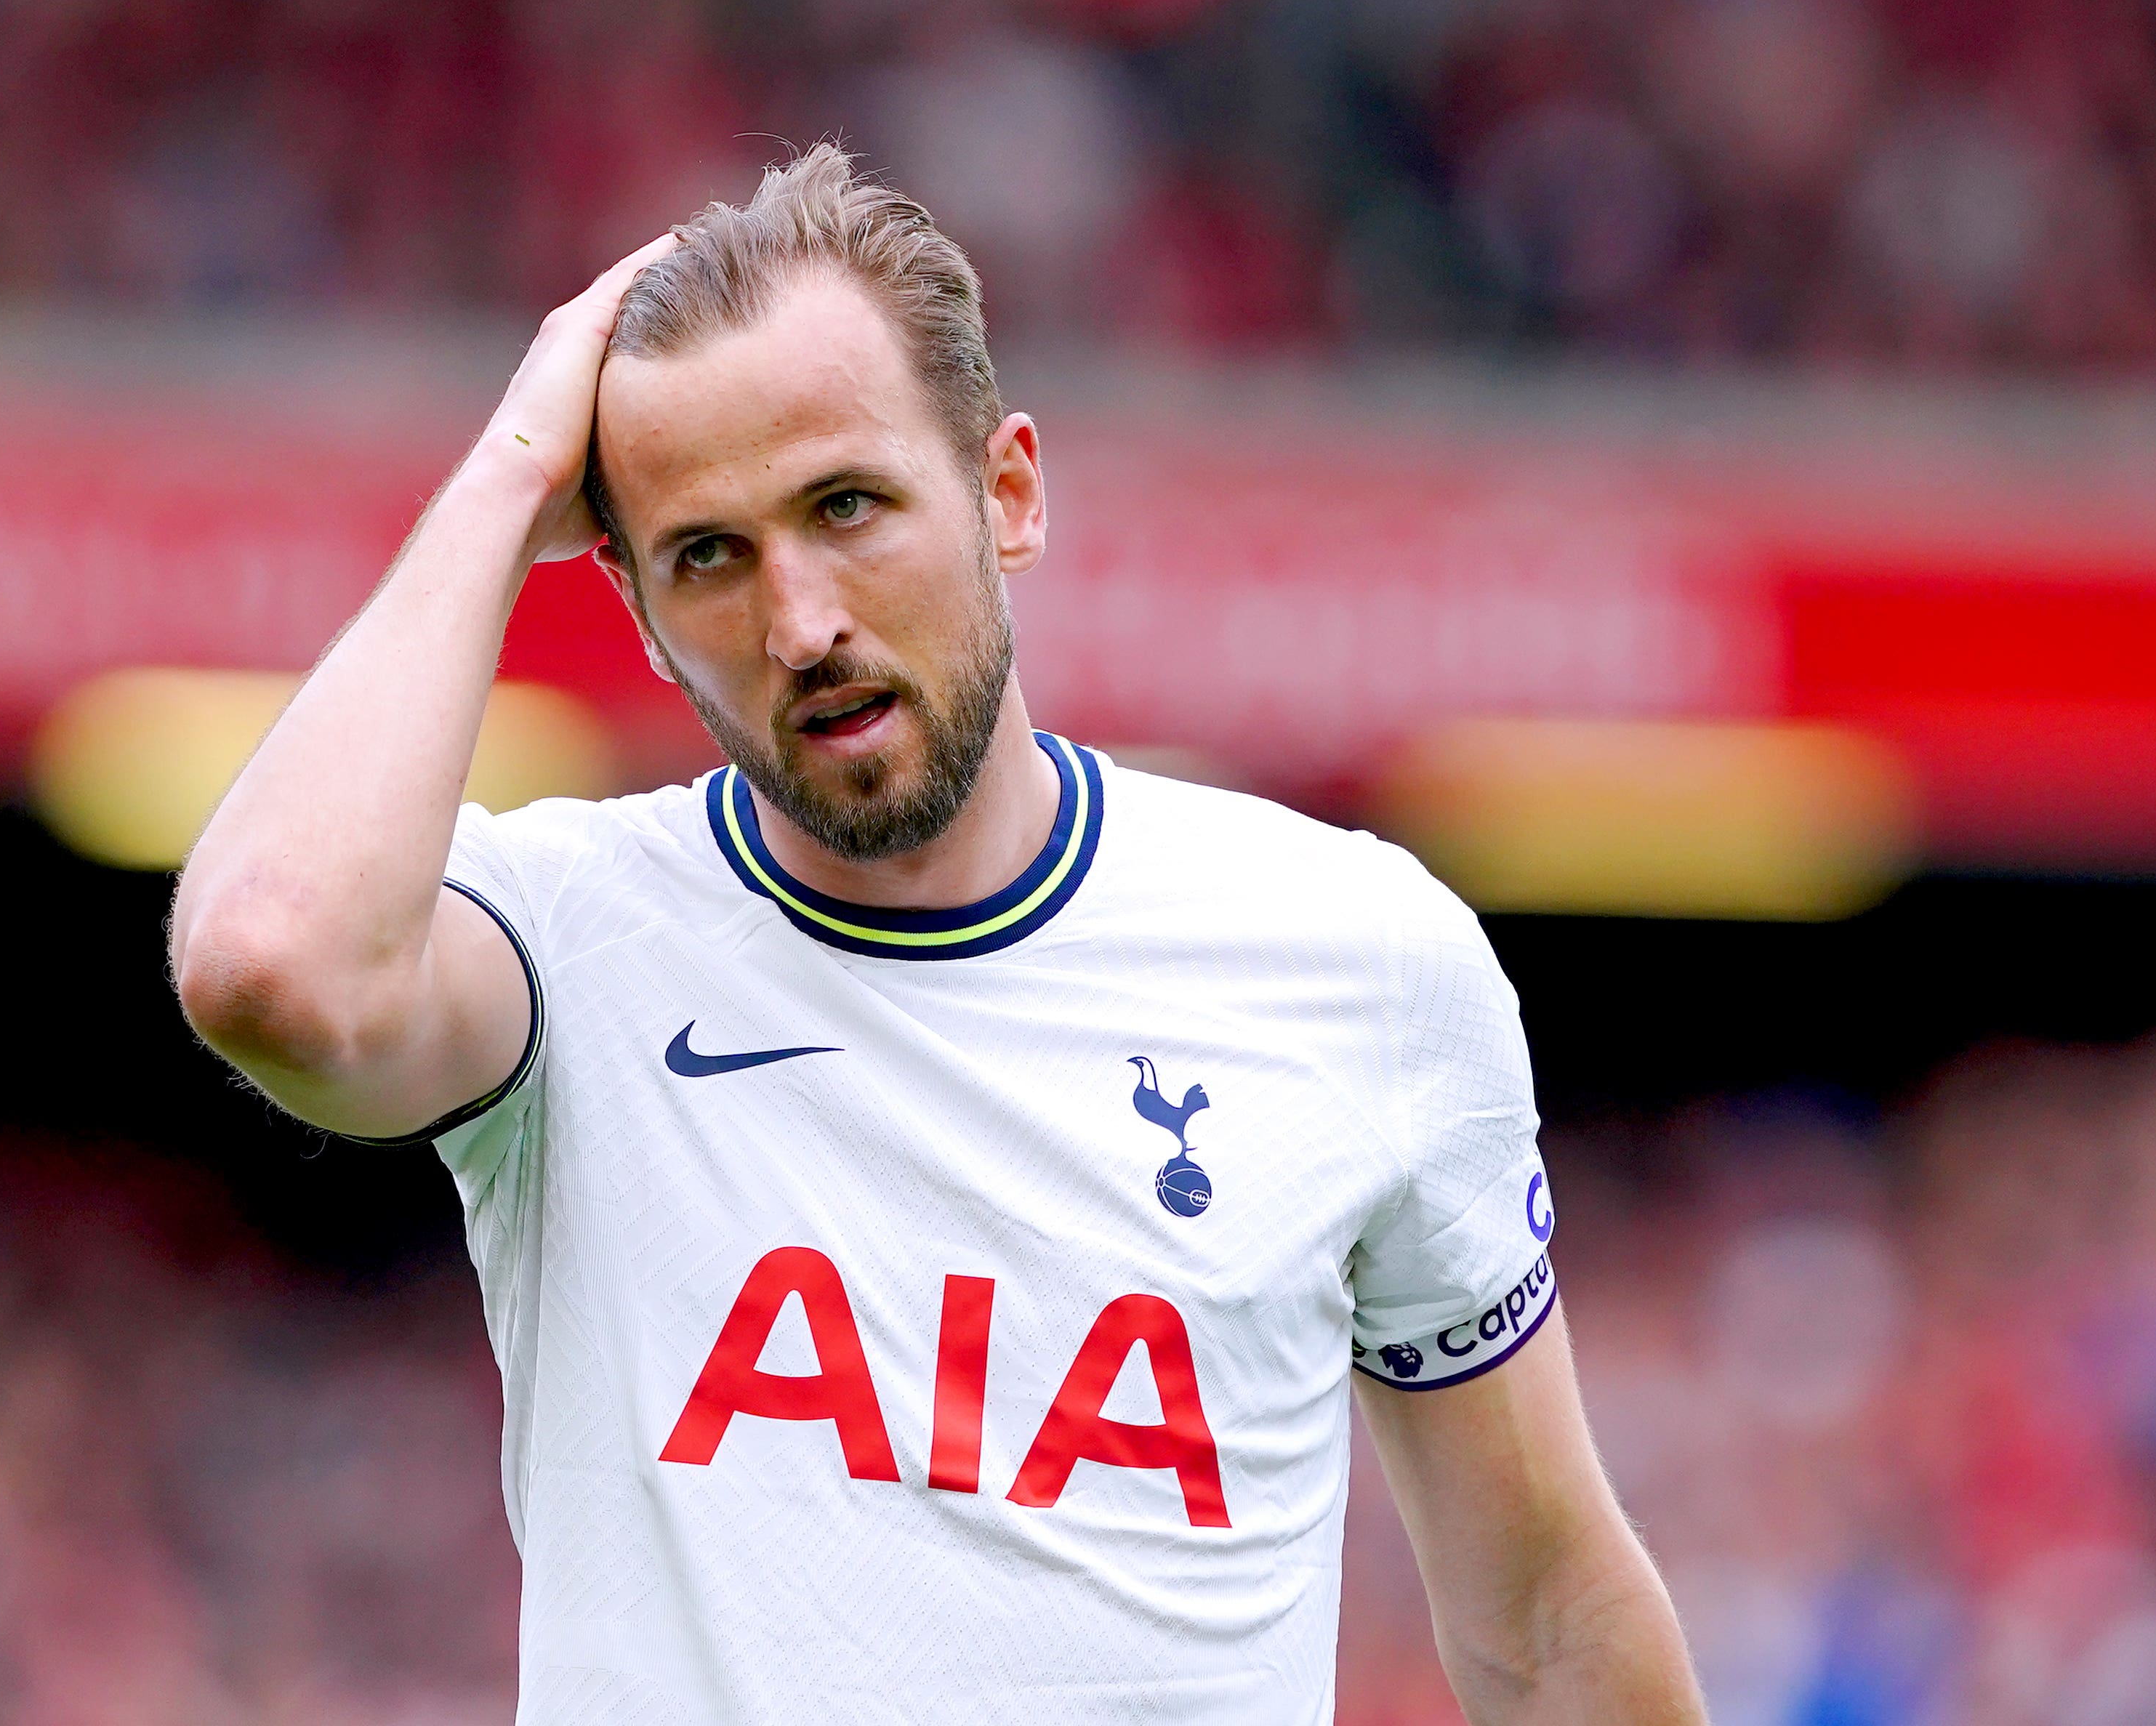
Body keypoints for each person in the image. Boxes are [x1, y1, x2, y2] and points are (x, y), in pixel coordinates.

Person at [171, 144, 1704, 1725]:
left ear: (1009, 493)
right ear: (628, 599)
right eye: (709, 555)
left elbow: (1543, 1618)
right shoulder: (567, 945)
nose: (803, 619)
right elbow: (275, 967)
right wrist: (504, 474)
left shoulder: (1361, 957)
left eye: (850, 507)